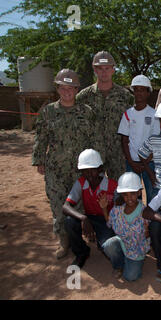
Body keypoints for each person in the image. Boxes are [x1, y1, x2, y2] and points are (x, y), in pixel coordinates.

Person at [32, 69, 95, 260]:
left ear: (77, 89)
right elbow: (41, 137)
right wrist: (39, 160)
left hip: (80, 169)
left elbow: (93, 140)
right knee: (58, 205)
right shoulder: (48, 112)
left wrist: (95, 164)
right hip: (55, 169)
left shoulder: (86, 112)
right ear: (57, 89)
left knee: (81, 205)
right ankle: (63, 240)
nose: (67, 91)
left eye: (71, 88)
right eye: (63, 87)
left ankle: (82, 237)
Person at [76, 50, 134, 181]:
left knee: (120, 190)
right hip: (93, 152)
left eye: (107, 68)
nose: (104, 72)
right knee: (94, 190)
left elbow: (133, 123)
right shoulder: (83, 96)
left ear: (113, 70)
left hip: (118, 152)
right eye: (100, 68)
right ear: (94, 70)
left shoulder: (125, 96)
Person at [63, 149, 117, 268]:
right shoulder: (81, 183)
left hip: (106, 220)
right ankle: (81, 252)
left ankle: (102, 242)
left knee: (108, 246)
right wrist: (83, 219)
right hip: (89, 217)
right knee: (69, 221)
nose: (89, 174)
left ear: (100, 169)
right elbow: (65, 207)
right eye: (85, 171)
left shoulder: (112, 185)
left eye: (93, 170)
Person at [118, 75, 160, 204]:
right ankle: (137, 222)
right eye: (137, 89)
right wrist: (131, 162)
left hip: (149, 162)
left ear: (148, 93)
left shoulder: (154, 114)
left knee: (153, 195)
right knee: (133, 198)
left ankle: (153, 223)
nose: (139, 93)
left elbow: (156, 141)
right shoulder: (128, 114)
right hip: (131, 163)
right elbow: (124, 140)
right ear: (133, 92)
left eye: (143, 89)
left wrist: (146, 162)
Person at [100, 172, 150, 282]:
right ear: (121, 195)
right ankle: (119, 265)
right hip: (123, 242)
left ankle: (132, 263)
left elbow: (147, 235)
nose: (129, 198)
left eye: (132, 194)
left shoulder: (144, 212)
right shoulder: (118, 210)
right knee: (108, 245)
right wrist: (104, 208)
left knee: (130, 277)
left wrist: (147, 232)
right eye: (125, 195)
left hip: (136, 250)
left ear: (138, 192)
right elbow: (109, 223)